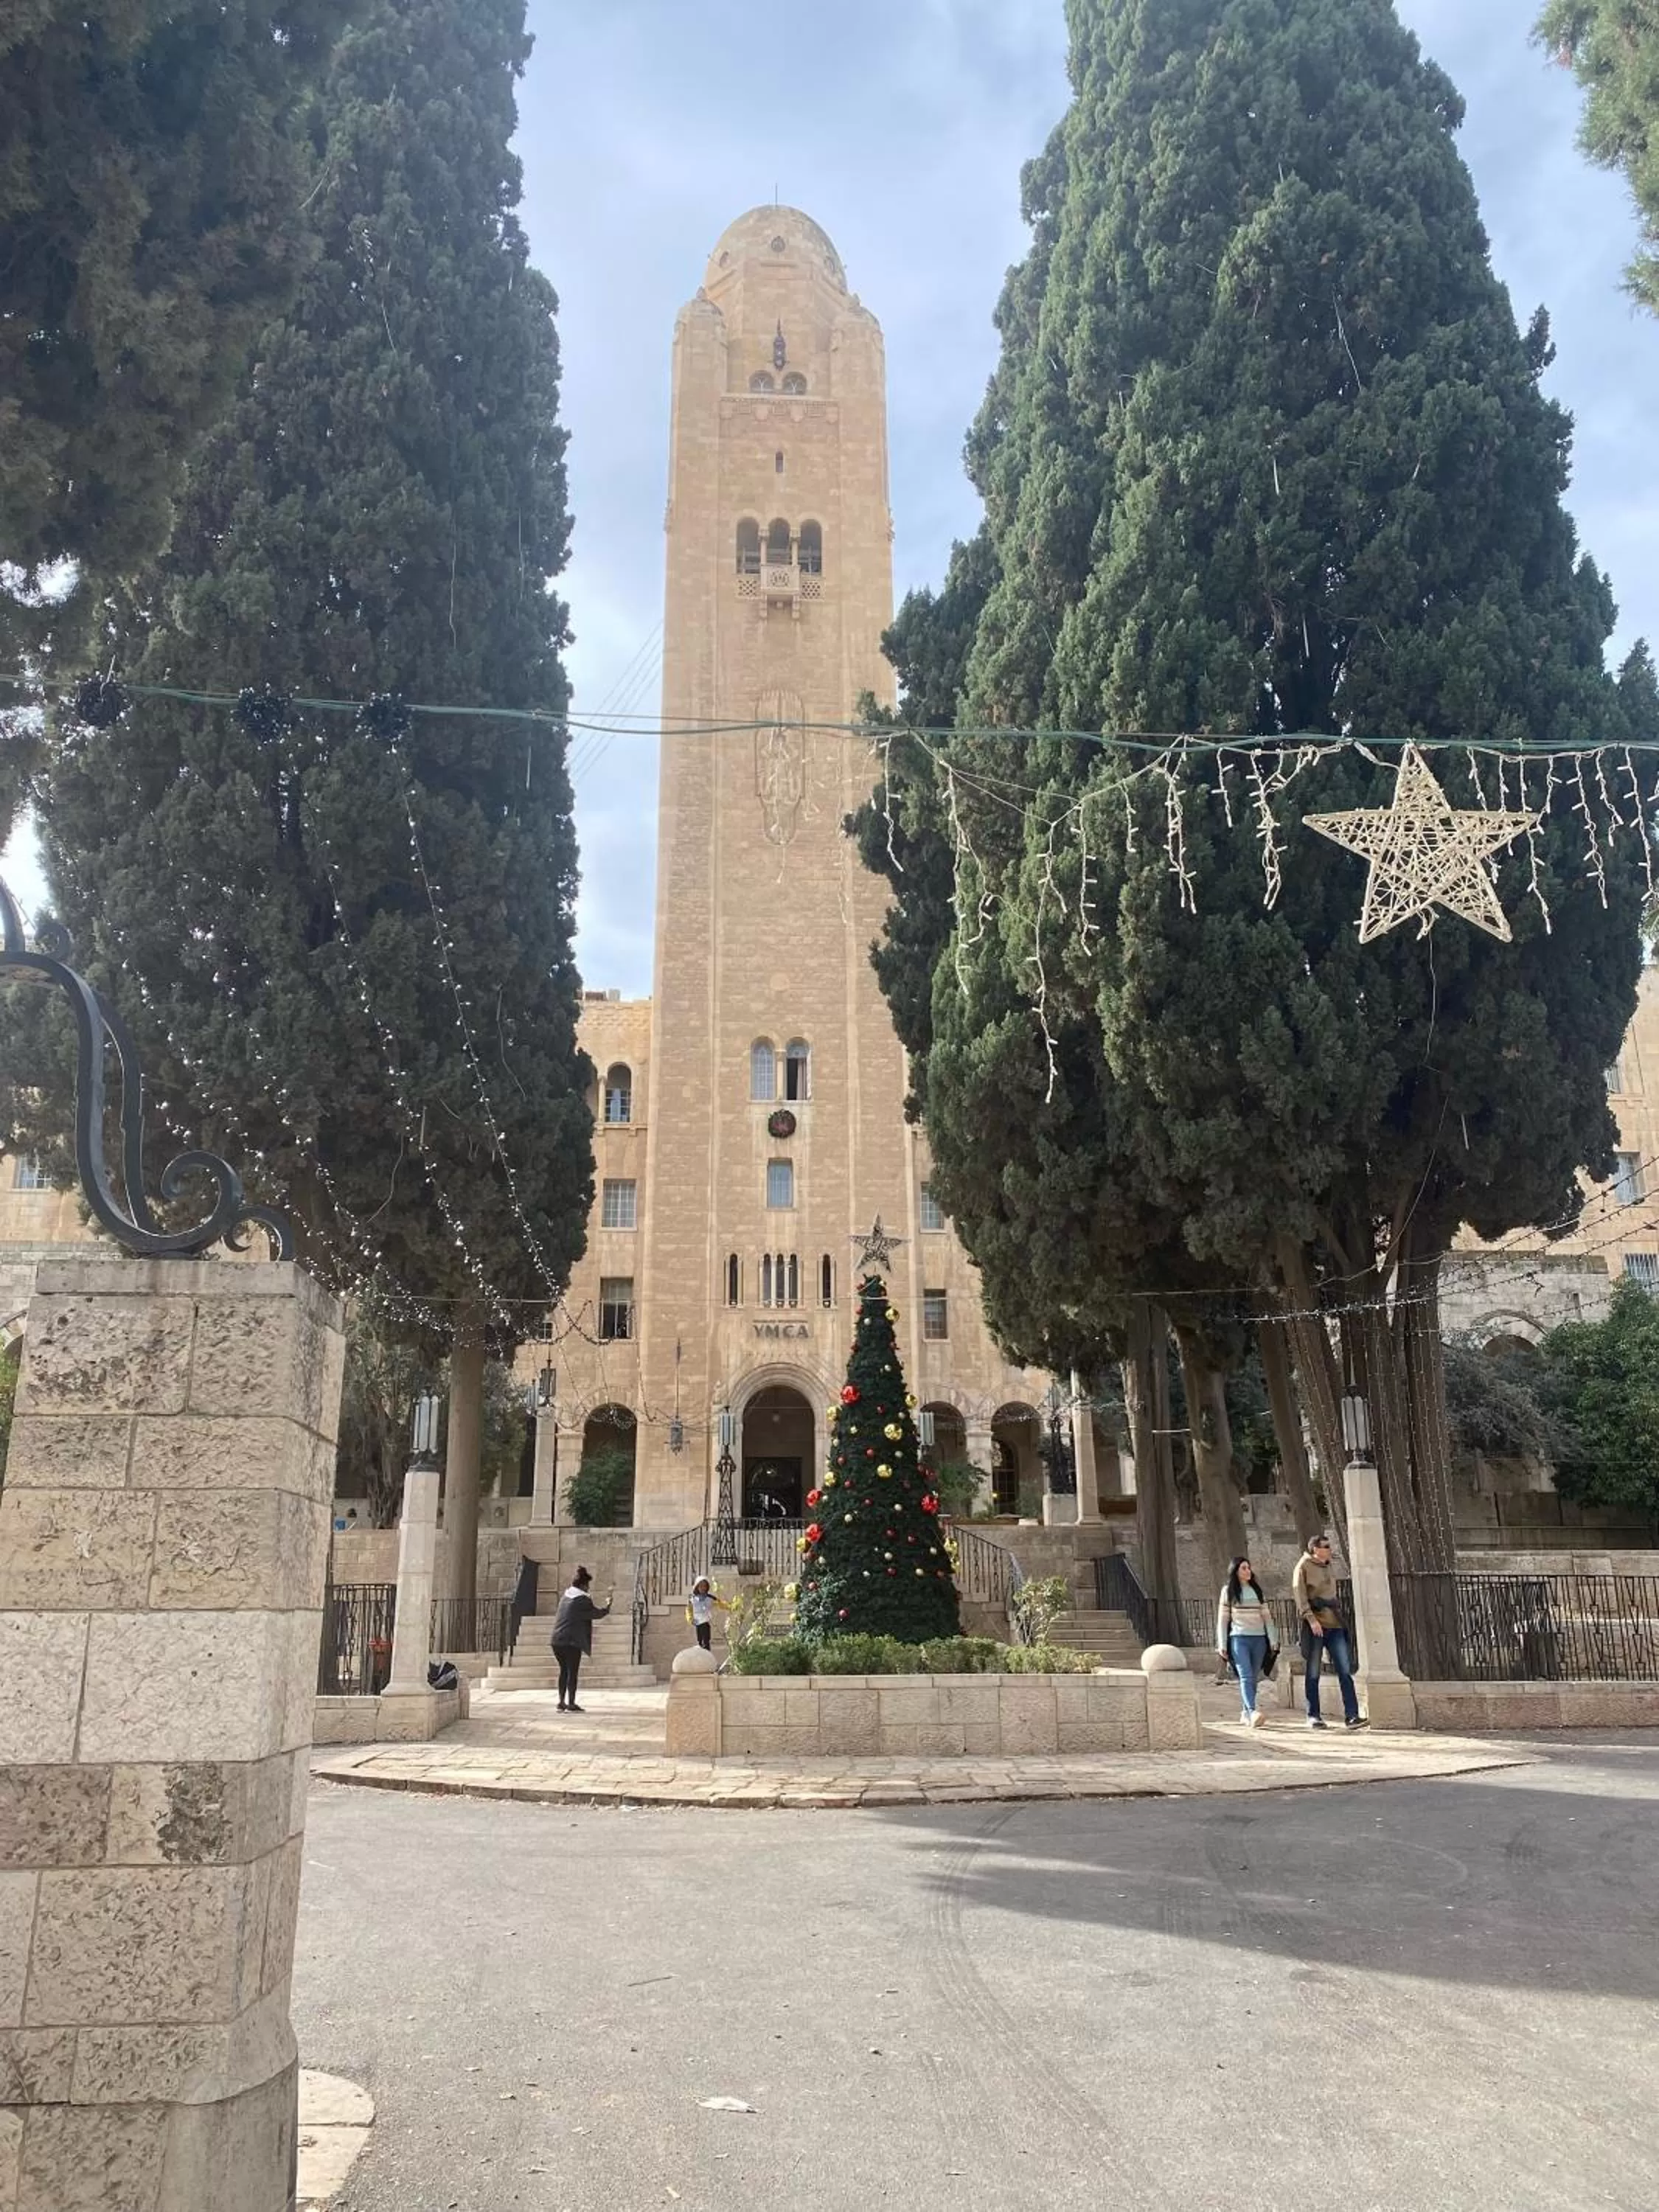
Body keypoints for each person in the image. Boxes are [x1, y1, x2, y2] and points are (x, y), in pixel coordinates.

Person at [1293, 1532, 1363, 1729]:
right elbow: (1300, 1596)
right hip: (1316, 1624)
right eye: (1325, 1546)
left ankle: (1352, 1715)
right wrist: (1311, 1619)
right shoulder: (1303, 1567)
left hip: (1334, 1622)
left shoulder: (1329, 1565)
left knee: (1344, 1670)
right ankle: (1313, 1715)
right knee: (1313, 1672)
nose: (1329, 1549)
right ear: (1315, 1549)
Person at [1216, 1556, 1278, 1728]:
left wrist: (1273, 1639)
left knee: (1254, 1677)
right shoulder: (1228, 1591)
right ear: (1235, 1571)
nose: (1248, 1571)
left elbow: (1267, 1617)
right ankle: (1252, 1711)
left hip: (1259, 1639)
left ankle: (1245, 1713)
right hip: (1239, 1638)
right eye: (1244, 1568)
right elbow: (1223, 1620)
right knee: (1246, 1675)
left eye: (1249, 1568)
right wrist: (1222, 1644)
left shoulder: (1257, 1591)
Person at [549, 1565, 611, 1714]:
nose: (588, 1588)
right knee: (572, 1672)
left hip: (557, 1640)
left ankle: (561, 1702)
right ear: (583, 1585)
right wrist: (608, 1606)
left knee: (564, 1671)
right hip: (571, 1641)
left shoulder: (565, 1598)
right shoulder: (582, 1600)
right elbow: (595, 1614)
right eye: (587, 1585)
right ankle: (571, 1703)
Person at [686, 1576, 729, 1653]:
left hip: (705, 1622)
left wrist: (731, 1607)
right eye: (701, 1586)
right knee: (699, 1641)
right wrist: (690, 1619)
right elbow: (689, 1609)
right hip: (697, 1623)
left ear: (707, 1587)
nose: (703, 1588)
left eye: (705, 1586)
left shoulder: (710, 1598)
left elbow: (720, 1604)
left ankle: (707, 1654)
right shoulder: (692, 1599)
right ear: (697, 1587)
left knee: (706, 1641)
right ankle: (701, 1654)